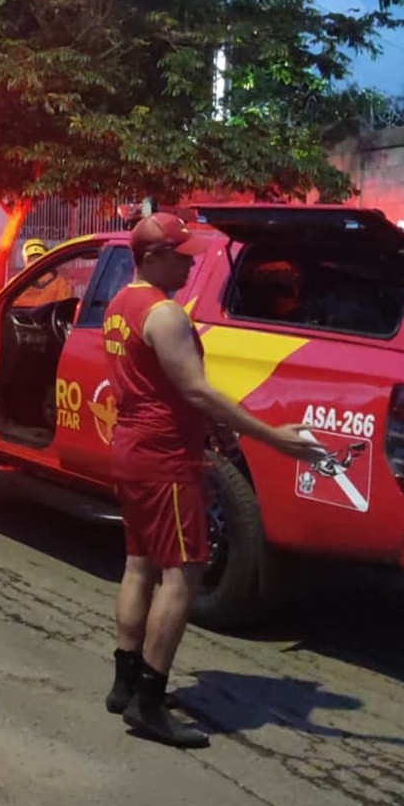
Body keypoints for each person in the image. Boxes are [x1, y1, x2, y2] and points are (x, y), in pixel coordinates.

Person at [102, 212, 325, 748]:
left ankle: (124, 683)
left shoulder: (118, 305)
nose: (190, 262)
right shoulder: (165, 314)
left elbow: (166, 391)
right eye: (181, 255)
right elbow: (196, 391)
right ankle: (149, 704)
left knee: (140, 564)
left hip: (133, 449)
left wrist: (213, 433)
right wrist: (273, 437)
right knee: (184, 574)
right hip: (165, 460)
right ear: (152, 256)